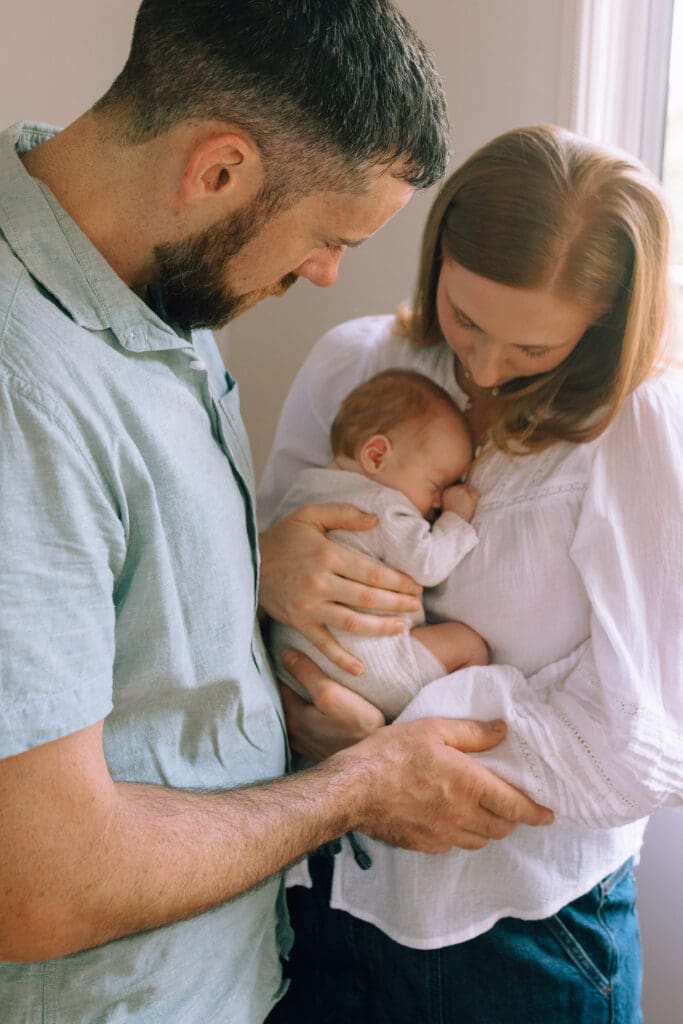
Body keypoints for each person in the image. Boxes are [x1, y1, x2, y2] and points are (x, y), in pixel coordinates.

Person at [0, 4, 557, 1023]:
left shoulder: (153, 285)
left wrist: (254, 563)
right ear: (218, 170)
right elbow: (39, 883)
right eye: (329, 237)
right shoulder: (21, 386)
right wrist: (357, 786)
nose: (325, 276)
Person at [258, 124, 683, 1023]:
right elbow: (235, 610)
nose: (483, 367)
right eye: (465, 320)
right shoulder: (359, 361)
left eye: (533, 350)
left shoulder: (638, 429)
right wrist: (263, 563)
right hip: (323, 893)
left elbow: (644, 723)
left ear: (605, 325)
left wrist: (374, 756)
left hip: (525, 931)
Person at [270, 368, 487, 722]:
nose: (437, 501)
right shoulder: (383, 505)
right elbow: (428, 564)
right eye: (436, 484)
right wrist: (456, 520)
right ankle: (445, 718)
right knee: (468, 644)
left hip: (295, 671)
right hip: (369, 670)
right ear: (376, 456)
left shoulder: (302, 490)